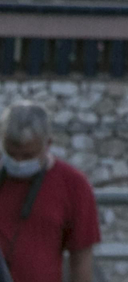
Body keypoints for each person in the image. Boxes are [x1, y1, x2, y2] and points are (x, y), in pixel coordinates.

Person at [0, 102, 98, 282]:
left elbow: (81, 258)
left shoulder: (73, 184)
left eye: (27, 155)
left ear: (48, 144)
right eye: (11, 153)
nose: (18, 161)